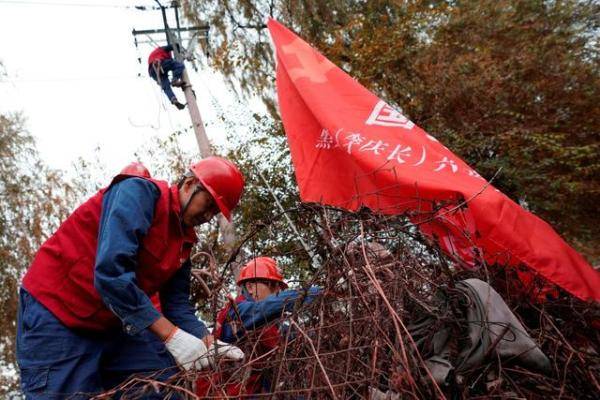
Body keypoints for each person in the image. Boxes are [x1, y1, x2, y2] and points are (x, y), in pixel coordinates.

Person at [17, 157, 246, 399]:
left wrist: (208, 343)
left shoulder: (183, 243)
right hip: (58, 316)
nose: (208, 216)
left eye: (215, 212)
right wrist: (171, 336)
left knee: (159, 390)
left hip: (110, 325)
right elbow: (111, 275)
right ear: (189, 184)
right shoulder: (138, 193)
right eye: (208, 204)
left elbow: (177, 307)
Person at [196, 257, 321, 396]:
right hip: (227, 393)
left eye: (280, 287)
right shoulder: (239, 311)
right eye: (273, 285)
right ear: (250, 287)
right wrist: (317, 292)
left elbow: (290, 336)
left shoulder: (268, 324)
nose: (277, 292)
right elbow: (267, 306)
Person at [148, 44, 186, 110]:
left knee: (166, 86)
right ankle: (175, 80)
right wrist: (177, 47)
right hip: (160, 63)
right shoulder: (162, 49)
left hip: (153, 71)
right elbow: (172, 46)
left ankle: (173, 99)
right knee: (179, 65)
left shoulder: (156, 53)